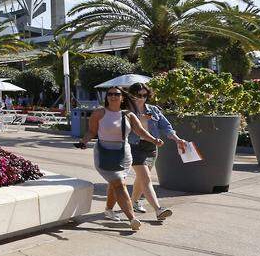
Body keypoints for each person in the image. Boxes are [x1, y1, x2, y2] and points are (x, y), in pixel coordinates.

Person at [78, 86, 163, 231]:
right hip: (104, 153)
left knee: (116, 183)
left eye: (116, 94)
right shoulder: (99, 113)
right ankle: (132, 219)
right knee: (119, 184)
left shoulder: (128, 115)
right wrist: (84, 141)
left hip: (124, 154)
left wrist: (154, 140)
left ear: (122, 97)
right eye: (110, 94)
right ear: (107, 97)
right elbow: (91, 131)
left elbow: (140, 131)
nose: (113, 96)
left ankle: (109, 209)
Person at [116, 82, 186, 221]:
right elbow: (120, 128)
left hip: (151, 148)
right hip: (133, 147)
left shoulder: (153, 110)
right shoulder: (126, 111)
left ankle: (134, 202)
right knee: (146, 178)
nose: (141, 98)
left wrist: (178, 139)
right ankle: (158, 209)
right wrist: (140, 119)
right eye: (138, 95)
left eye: (144, 95)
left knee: (141, 178)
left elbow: (166, 127)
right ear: (131, 95)